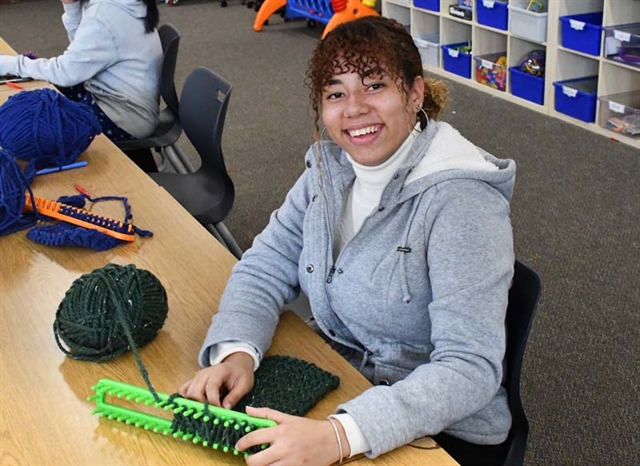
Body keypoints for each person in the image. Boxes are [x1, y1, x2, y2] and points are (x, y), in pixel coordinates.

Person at [179, 16, 516, 466]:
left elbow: (470, 370)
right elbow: (266, 263)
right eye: (335, 93)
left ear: (415, 94)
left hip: (439, 431)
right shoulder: (328, 167)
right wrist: (237, 350)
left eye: (374, 86)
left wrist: (341, 435)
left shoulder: (462, 204)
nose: (353, 108)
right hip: (344, 377)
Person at [0, 0, 162, 145]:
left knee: (23, 129)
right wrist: (71, 7)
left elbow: (65, 72)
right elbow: (84, 52)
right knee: (38, 93)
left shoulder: (104, 14)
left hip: (122, 118)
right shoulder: (124, 4)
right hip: (117, 102)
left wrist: (10, 64)